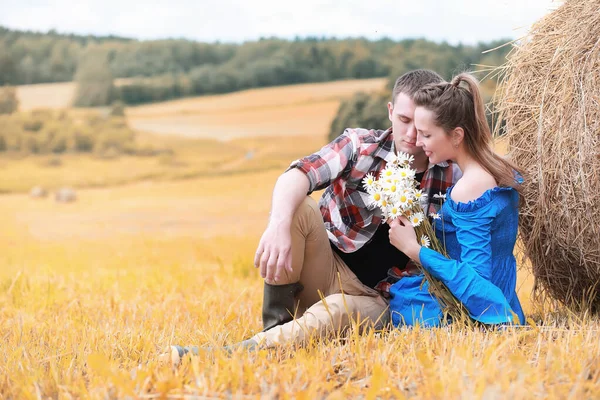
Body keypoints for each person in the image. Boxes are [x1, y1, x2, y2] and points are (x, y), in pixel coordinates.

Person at [162, 70, 462, 365]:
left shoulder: (451, 176)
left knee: (334, 312)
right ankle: (275, 324)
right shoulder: (360, 146)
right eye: (403, 120)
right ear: (390, 111)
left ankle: (240, 353)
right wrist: (278, 225)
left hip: (379, 296)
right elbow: (299, 174)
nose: (411, 134)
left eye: (420, 124)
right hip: (325, 266)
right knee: (299, 207)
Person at [386, 72, 526, 327]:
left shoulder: (469, 187)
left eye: (426, 135)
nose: (418, 142)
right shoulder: (495, 166)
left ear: (457, 135)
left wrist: (414, 250)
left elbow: (477, 279)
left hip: (476, 307)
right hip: (503, 291)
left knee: (401, 302)